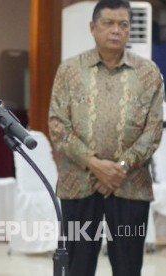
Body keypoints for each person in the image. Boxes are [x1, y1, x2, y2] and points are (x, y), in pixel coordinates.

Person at [48, 1, 164, 275]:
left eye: (123, 25)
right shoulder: (69, 70)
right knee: (77, 266)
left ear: (129, 30)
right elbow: (58, 125)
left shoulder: (148, 73)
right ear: (93, 27)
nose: (116, 30)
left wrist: (120, 168)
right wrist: (96, 165)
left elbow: (154, 129)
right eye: (108, 23)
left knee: (128, 267)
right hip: (78, 184)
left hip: (131, 187)